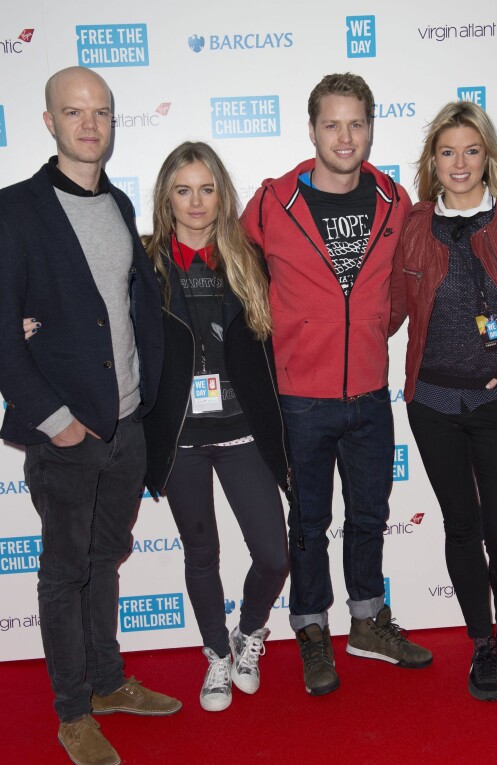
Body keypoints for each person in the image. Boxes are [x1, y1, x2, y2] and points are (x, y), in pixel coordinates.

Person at [0, 66, 180, 765]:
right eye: (74, 111)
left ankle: (107, 682)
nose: (89, 123)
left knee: (105, 561)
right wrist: (55, 418)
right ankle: (73, 711)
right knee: (63, 573)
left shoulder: (121, 204)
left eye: (100, 111)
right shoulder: (11, 211)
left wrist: (146, 408)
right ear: (49, 122)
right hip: (65, 435)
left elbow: (123, 313)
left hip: (127, 425)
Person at [242, 72, 433, 696]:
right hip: (300, 398)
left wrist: (377, 328)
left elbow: (404, 286)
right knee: (308, 521)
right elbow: (228, 274)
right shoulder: (272, 204)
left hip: (371, 395)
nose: (345, 137)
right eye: (332, 124)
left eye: (356, 124)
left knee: (370, 516)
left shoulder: (394, 200)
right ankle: (311, 627)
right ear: (312, 130)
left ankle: (367, 621)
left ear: (371, 129)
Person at [391, 101, 497, 700]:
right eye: (447, 152)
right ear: (432, 161)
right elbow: (383, 311)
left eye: (471, 150)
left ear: (487, 154)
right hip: (432, 403)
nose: (459, 163)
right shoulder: (413, 226)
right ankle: (481, 641)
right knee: (461, 527)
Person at [142, 142, 291, 712]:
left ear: (221, 194)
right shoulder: (146, 262)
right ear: (167, 197)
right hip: (179, 436)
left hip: (243, 432)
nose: (196, 201)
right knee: (201, 553)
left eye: (207, 189)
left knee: (273, 555)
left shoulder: (247, 257)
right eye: (184, 189)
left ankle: (248, 635)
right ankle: (216, 656)